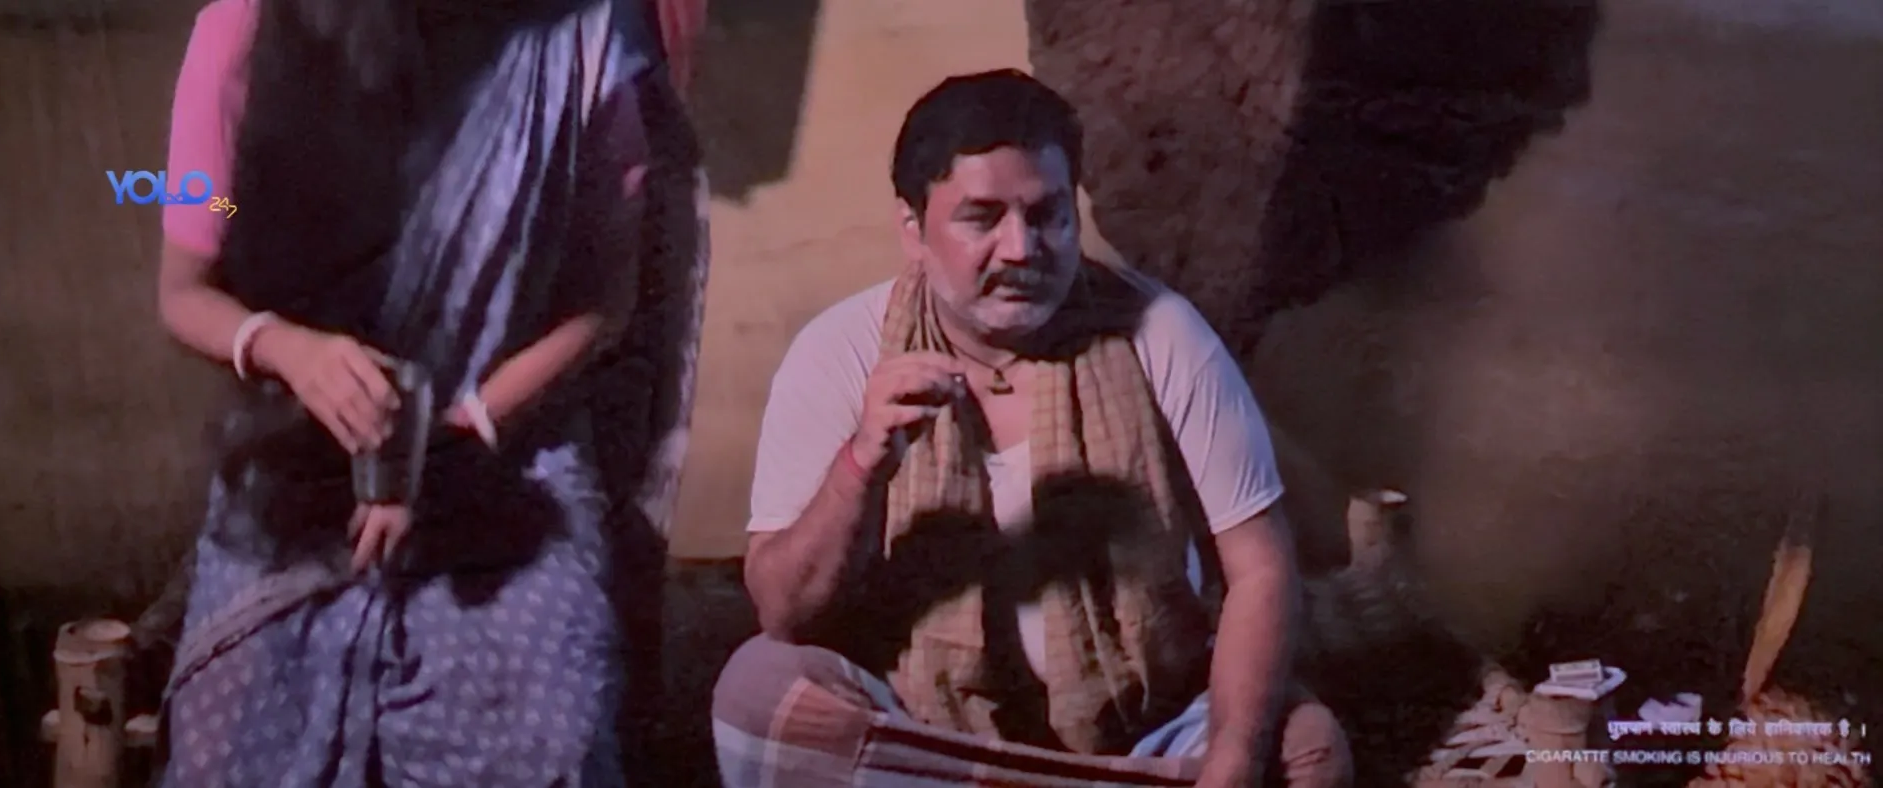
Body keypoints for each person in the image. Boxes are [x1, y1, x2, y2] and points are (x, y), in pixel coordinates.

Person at [712, 70, 1353, 787]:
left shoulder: (1160, 334)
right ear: (913, 229)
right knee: (757, 698)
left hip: (1146, 729)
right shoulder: (841, 352)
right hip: (919, 727)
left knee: (1305, 753)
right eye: (982, 218)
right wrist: (860, 464)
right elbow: (783, 611)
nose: (1021, 248)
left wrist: (1230, 764)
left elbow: (1259, 567)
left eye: (1048, 215)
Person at [152, 0, 704, 784]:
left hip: (505, 458)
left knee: (558, 740)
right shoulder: (245, 28)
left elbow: (602, 302)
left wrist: (459, 433)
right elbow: (184, 294)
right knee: (227, 750)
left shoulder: (572, 47)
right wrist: (286, 349)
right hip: (297, 465)